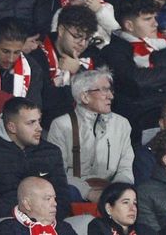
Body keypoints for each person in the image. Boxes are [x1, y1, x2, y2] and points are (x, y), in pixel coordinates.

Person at [46, 67, 133, 203]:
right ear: (85, 96)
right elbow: (57, 173)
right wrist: (88, 192)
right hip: (76, 194)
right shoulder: (61, 125)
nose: (111, 96)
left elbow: (126, 168)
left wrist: (115, 193)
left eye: (110, 90)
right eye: (104, 90)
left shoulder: (122, 124)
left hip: (112, 193)